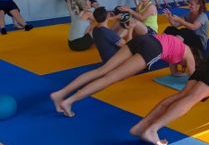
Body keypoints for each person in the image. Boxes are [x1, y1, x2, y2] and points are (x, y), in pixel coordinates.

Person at [50, 33, 197, 117]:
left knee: (102, 70)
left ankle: (60, 94)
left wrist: (179, 72)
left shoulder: (179, 48)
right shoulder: (189, 56)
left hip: (144, 39)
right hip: (153, 48)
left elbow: (174, 71)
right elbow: (193, 77)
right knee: (111, 78)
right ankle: (69, 101)